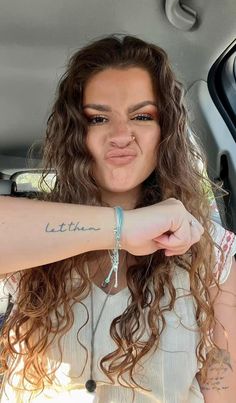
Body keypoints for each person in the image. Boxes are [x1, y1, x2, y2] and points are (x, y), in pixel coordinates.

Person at [0, 34, 235, 403]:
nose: (121, 135)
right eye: (98, 118)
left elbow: (223, 386)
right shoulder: (33, 231)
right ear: (77, 132)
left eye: (142, 116)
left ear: (165, 131)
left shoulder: (213, 250)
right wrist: (122, 227)